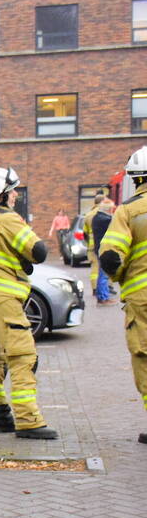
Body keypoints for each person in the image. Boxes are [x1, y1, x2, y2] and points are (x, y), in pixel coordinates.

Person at [0, 166, 57, 439]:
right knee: (23, 357)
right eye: (12, 190)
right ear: (1, 194)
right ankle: (28, 421)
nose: (16, 195)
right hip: (5, 298)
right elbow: (38, 251)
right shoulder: (8, 219)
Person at [98, 145, 147, 444]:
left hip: (142, 298)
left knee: (145, 356)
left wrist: (118, 277)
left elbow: (111, 258)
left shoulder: (128, 211)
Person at [91, 199, 118, 305]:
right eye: (112, 209)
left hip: (99, 248)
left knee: (102, 274)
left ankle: (103, 296)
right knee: (104, 275)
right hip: (104, 249)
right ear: (109, 209)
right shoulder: (105, 219)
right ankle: (103, 298)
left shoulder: (97, 217)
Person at [84, 193, 106, 291]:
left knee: (94, 268)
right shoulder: (103, 213)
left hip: (91, 246)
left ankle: (94, 288)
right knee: (104, 267)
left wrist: (89, 243)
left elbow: (85, 233)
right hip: (102, 244)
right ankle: (104, 290)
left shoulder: (88, 215)